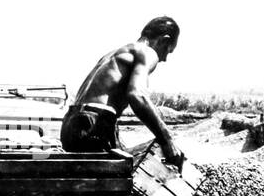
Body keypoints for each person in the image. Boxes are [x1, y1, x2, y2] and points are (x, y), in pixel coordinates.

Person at [62, 16, 185, 168]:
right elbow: (137, 95)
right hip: (94, 122)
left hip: (71, 123)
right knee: (121, 184)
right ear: (164, 40)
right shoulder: (146, 52)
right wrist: (167, 140)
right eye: (168, 51)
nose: (165, 58)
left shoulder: (115, 53)